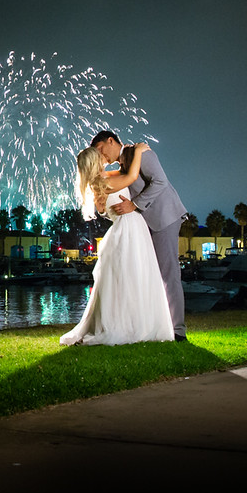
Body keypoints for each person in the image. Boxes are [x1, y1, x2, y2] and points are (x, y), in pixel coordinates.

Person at [59, 143, 175, 346]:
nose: (103, 156)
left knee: (129, 277)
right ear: (94, 163)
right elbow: (130, 177)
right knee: (134, 276)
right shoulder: (103, 181)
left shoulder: (101, 181)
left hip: (129, 229)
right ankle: (131, 325)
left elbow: (124, 172)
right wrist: (138, 152)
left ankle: (133, 321)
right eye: (99, 156)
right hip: (129, 230)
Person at [91, 130, 187, 342]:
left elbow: (160, 182)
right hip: (144, 227)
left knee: (168, 274)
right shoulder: (123, 166)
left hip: (164, 219)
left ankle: (178, 331)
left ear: (110, 141)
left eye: (100, 150)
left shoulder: (142, 153)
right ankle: (156, 326)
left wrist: (134, 205)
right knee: (150, 276)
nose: (100, 156)